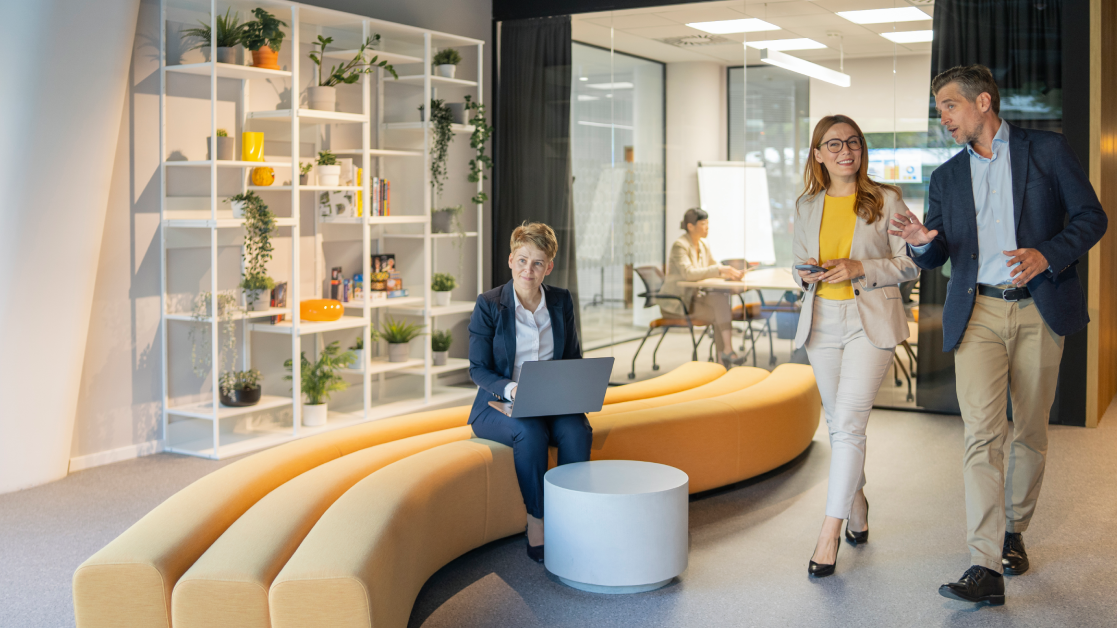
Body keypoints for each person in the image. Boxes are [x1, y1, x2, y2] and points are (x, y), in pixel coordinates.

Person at [889, 65, 1107, 605]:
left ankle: (1015, 530)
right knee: (983, 436)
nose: (942, 117)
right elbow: (940, 252)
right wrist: (921, 242)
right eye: (940, 107)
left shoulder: (1047, 151)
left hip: (1038, 307)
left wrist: (1047, 254)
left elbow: (1091, 217)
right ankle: (984, 564)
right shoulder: (945, 177)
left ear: (982, 102)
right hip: (979, 311)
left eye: (948, 105)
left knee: (1029, 430)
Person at [793, 114, 920, 577]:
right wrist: (806, 271)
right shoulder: (807, 204)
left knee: (847, 425)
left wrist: (858, 267)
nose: (845, 151)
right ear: (818, 154)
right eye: (834, 144)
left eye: (853, 142)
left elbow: (910, 265)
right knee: (838, 423)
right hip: (821, 322)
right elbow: (795, 265)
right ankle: (858, 498)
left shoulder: (886, 199)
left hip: (869, 322)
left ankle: (829, 534)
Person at [467, 222, 592, 564]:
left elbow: (572, 358)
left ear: (548, 267)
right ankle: (536, 520)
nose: (528, 269)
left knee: (577, 431)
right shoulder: (490, 304)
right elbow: (477, 369)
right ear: (510, 260)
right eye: (522, 260)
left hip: (551, 400)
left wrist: (577, 388)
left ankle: (572, 516)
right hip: (497, 405)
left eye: (537, 263)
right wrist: (512, 389)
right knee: (530, 431)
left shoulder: (561, 301)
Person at [659, 208, 746, 368]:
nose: (707, 227)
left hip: (694, 299)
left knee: (720, 302)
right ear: (691, 226)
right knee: (719, 310)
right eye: (703, 223)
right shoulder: (680, 246)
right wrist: (720, 270)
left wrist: (730, 273)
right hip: (679, 303)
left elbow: (713, 266)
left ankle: (725, 354)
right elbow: (688, 273)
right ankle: (723, 359)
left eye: (707, 223)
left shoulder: (703, 244)